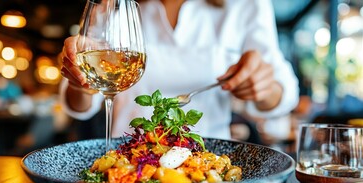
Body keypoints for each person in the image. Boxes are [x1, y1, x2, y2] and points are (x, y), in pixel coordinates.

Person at [59, 0, 299, 140]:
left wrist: (263, 88)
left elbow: (285, 94)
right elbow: (80, 107)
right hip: (126, 163)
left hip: (209, 168)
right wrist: (79, 80)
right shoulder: (117, 6)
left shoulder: (245, 5)